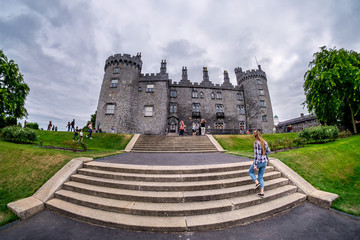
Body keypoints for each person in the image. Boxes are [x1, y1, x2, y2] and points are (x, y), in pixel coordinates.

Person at [249, 130, 271, 197]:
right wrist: (263, 154)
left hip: (259, 162)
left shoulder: (256, 143)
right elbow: (269, 151)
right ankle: (262, 192)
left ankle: (257, 183)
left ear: (254, 136)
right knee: (260, 177)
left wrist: (255, 165)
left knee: (250, 172)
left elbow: (256, 155)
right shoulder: (264, 142)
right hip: (264, 162)